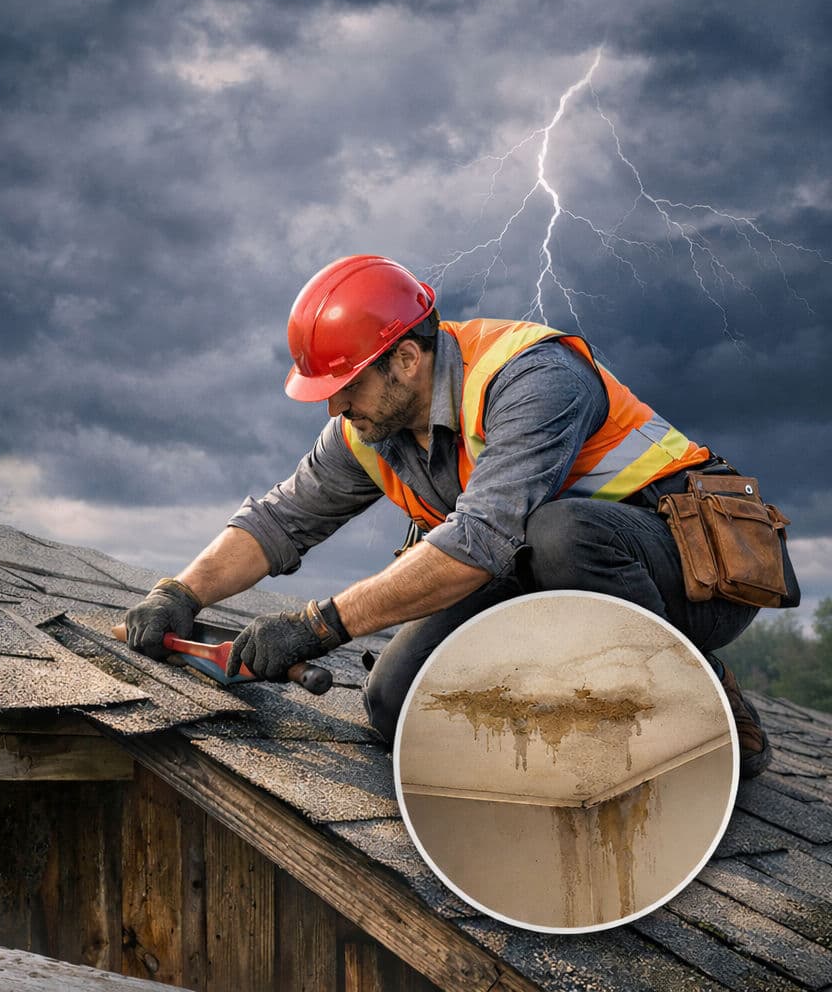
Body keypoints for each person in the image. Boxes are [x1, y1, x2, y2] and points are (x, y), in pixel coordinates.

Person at [124, 254, 784, 778]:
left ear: (407, 359)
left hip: (692, 577)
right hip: (545, 572)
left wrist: (317, 626)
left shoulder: (533, 376)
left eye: (346, 386)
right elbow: (279, 520)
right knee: (396, 705)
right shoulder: (367, 427)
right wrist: (179, 593)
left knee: (562, 533)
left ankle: (696, 693)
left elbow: (481, 539)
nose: (335, 409)